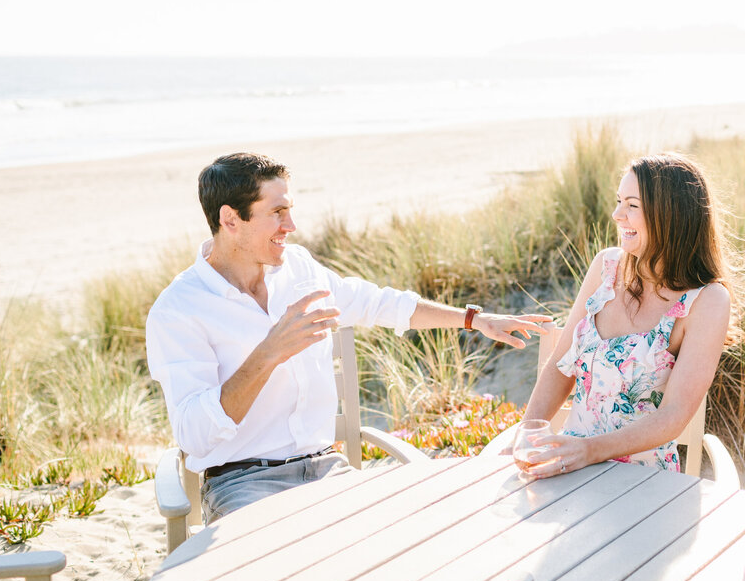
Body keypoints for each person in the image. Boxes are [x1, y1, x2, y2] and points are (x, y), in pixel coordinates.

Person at [146, 152, 549, 522]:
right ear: (230, 220)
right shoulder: (179, 310)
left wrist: (473, 319)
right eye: (277, 212)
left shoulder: (298, 269)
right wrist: (268, 354)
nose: (291, 226)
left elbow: (378, 303)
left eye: (290, 210)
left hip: (328, 471)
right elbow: (194, 435)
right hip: (243, 484)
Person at [515, 152, 738, 477]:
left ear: (670, 214)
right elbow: (560, 369)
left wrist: (588, 452)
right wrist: (526, 436)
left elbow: (673, 416)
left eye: (632, 205)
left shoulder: (707, 301)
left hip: (645, 482)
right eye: (619, 201)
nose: (617, 214)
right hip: (570, 468)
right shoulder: (606, 267)